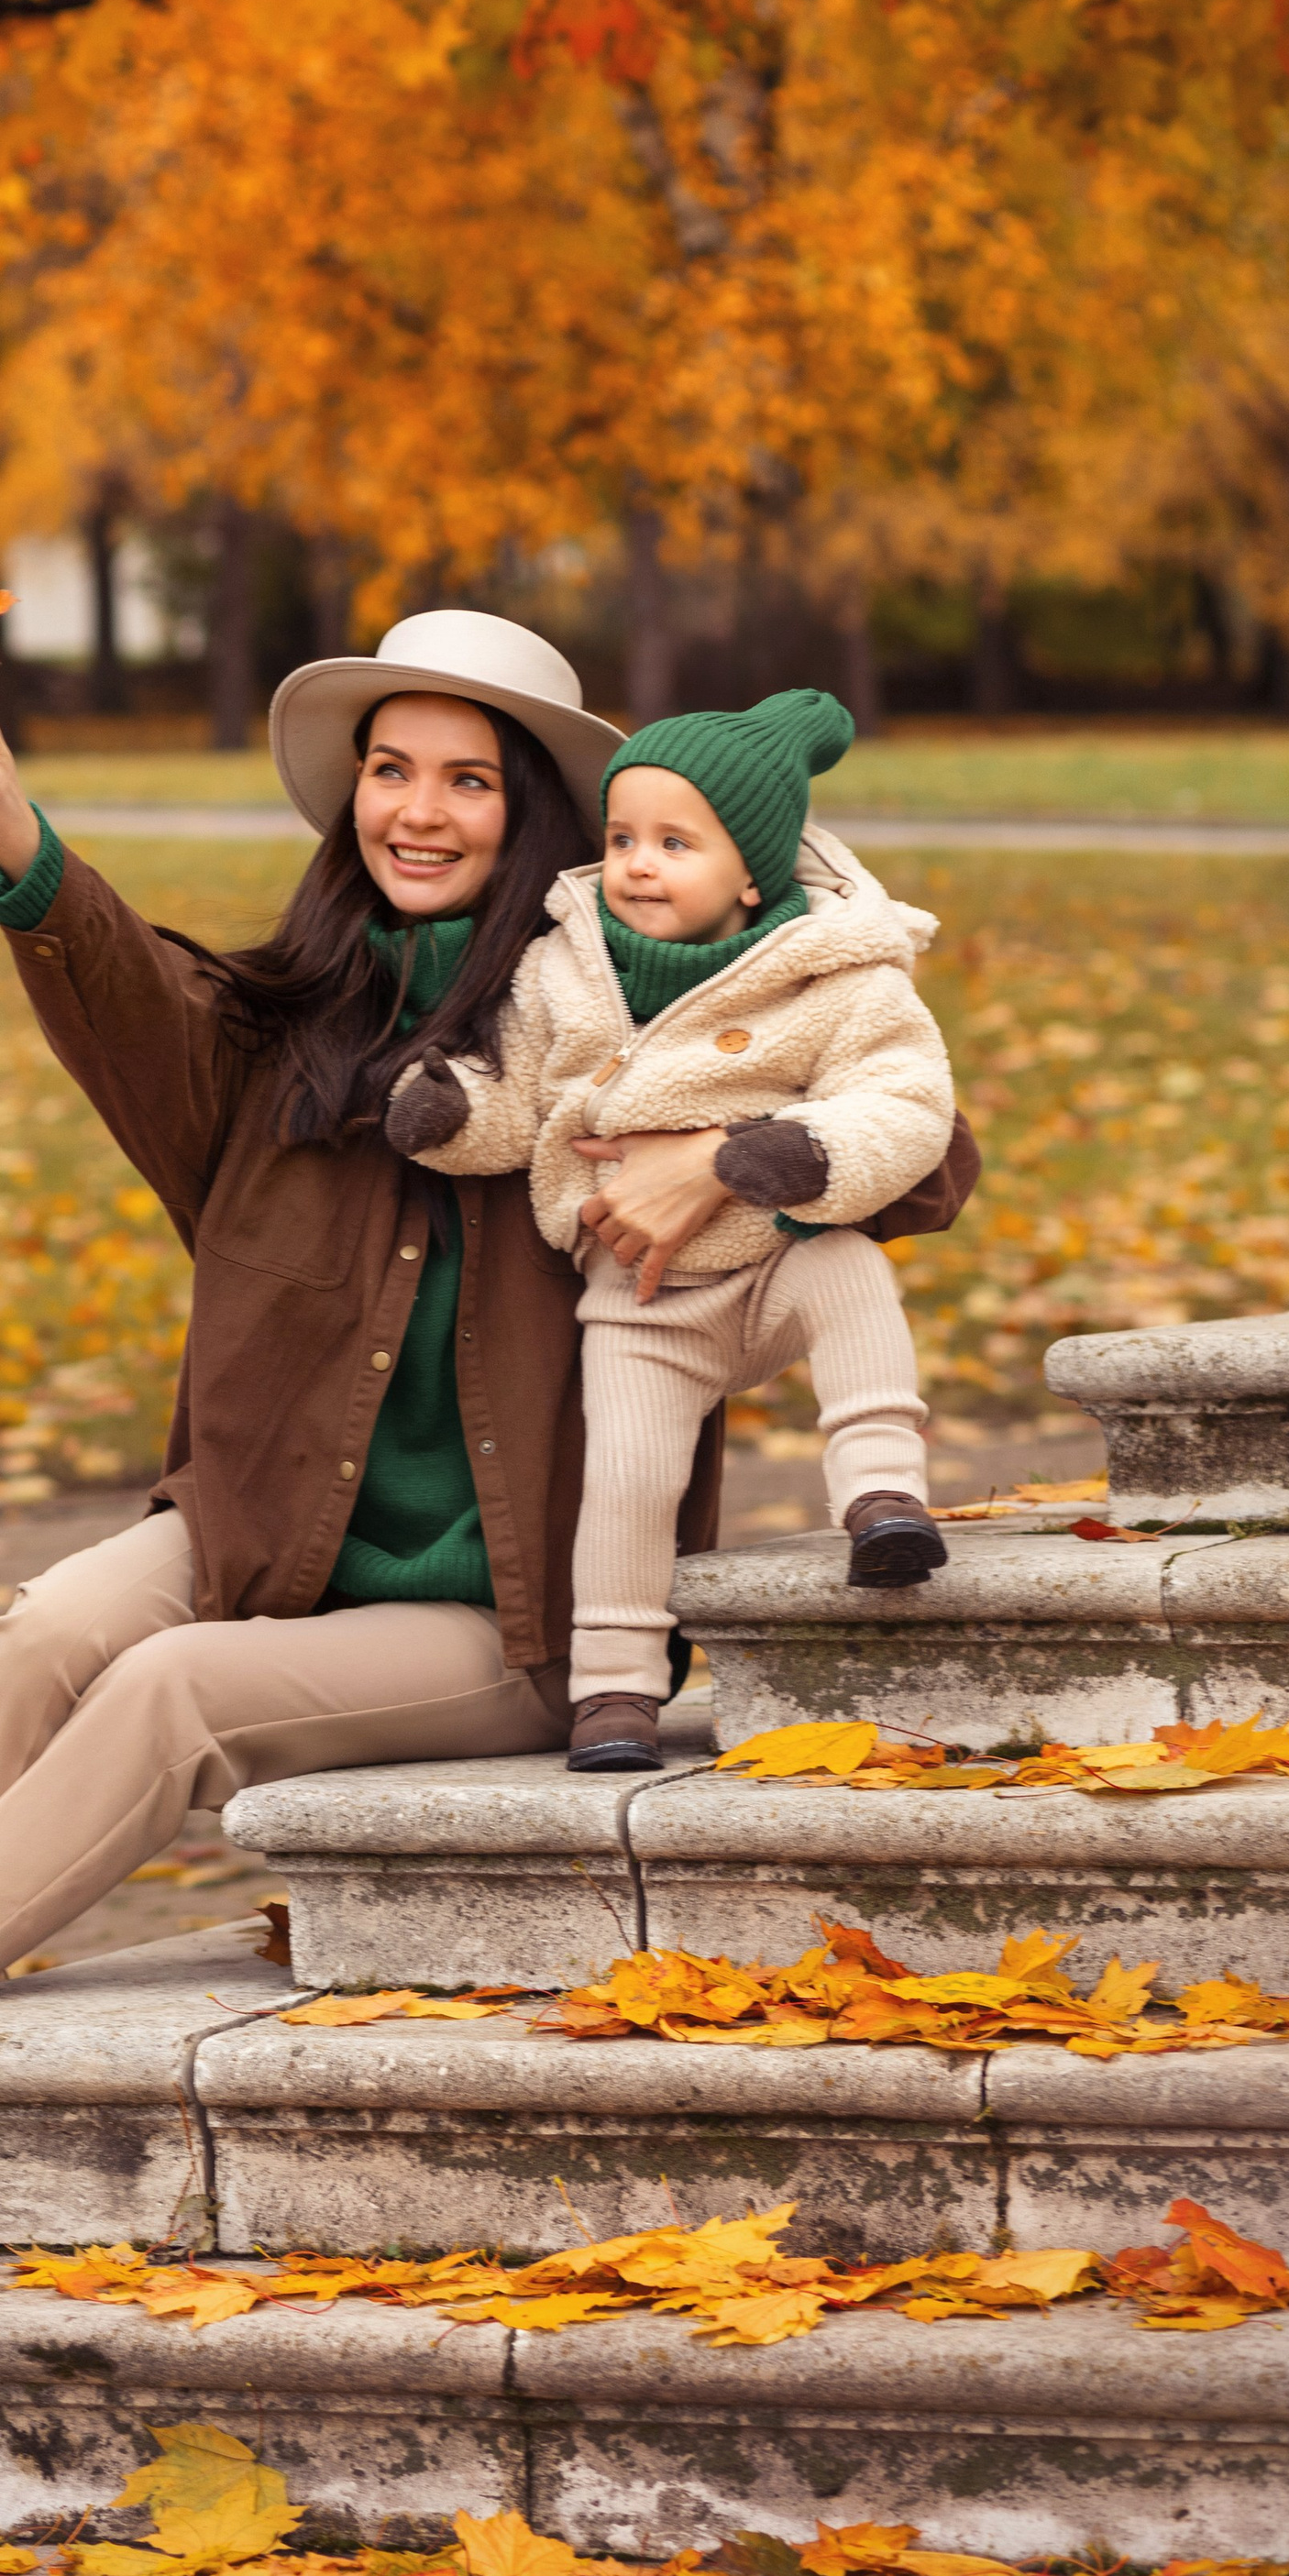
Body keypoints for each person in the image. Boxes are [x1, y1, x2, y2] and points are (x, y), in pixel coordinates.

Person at [0, 619, 977, 2229]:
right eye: (390, 770)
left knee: (168, 1685)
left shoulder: (624, 1035)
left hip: (508, 1614)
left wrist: (718, 1154)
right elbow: (114, 986)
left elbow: (926, 1153)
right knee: (45, 1631)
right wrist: (0, 807)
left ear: (538, 821)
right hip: (268, 1535)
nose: (419, 810)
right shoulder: (279, 1040)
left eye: (468, 778)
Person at [387, 688, 954, 1777]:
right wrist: (454, 1111)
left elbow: (904, 1101)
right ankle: (613, 1687)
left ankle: (881, 1490)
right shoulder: (566, 963)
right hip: (638, 1294)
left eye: (674, 842)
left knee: (850, 1277)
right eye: (622, 837)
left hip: (774, 1253)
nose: (638, 864)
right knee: (630, 1479)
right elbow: (527, 1099)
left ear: (751, 871)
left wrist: (786, 1150)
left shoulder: (835, 971)